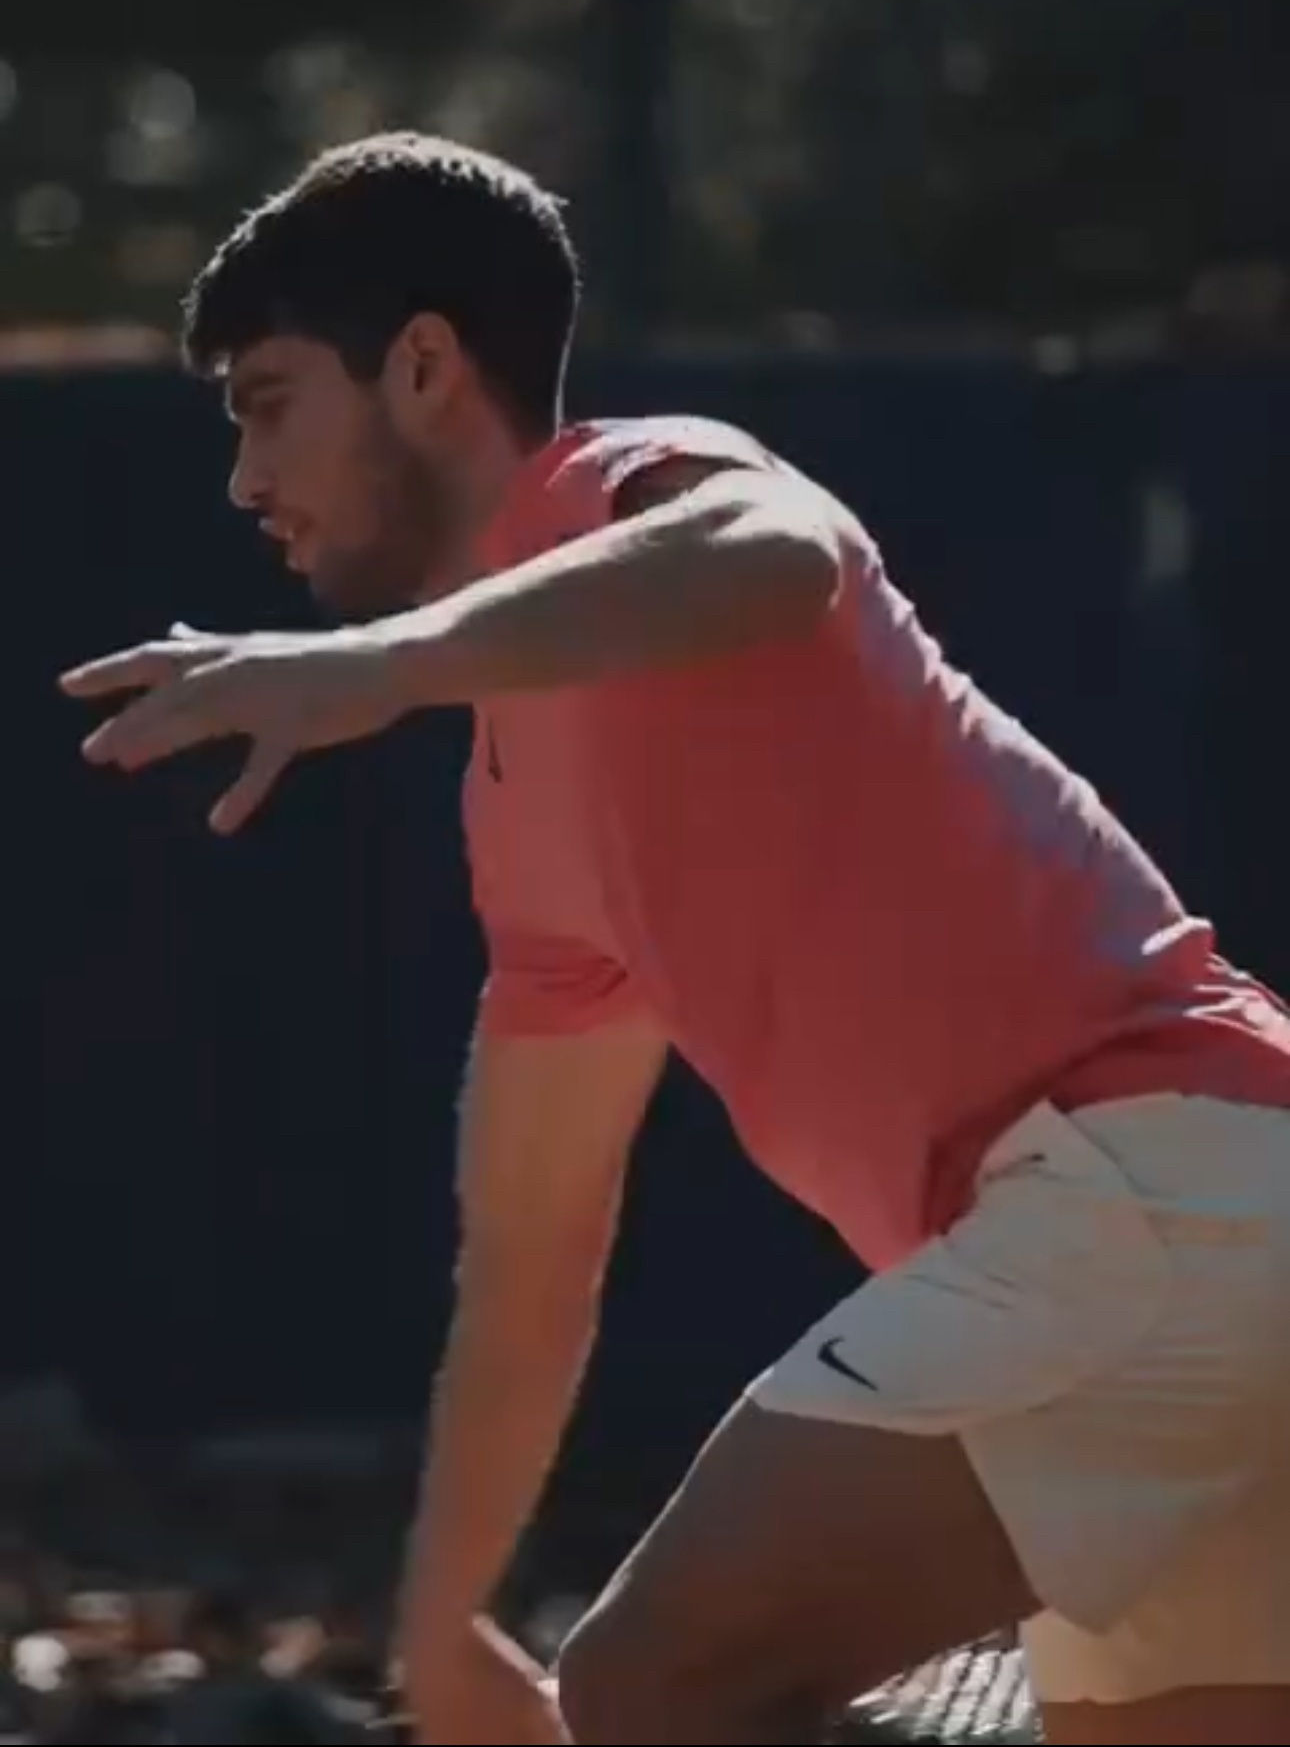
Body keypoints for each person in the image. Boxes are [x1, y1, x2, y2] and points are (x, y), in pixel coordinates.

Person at [61, 132, 1290, 1747]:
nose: (242, 478)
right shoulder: (523, 812)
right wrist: (442, 1620)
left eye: (269, 402)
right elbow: (530, 1256)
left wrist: (375, 664)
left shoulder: (626, 484)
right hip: (1206, 1231)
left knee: (654, 1686)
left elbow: (780, 557)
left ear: (421, 367)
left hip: (1152, 1200)